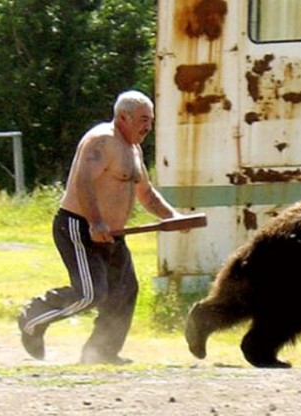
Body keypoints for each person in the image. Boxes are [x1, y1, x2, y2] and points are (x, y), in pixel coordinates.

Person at [18, 90, 184, 365]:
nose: (148, 127)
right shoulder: (102, 141)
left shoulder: (133, 148)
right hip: (79, 228)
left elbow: (147, 194)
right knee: (90, 293)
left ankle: (101, 353)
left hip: (113, 235)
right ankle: (33, 316)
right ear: (123, 117)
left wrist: (173, 216)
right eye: (144, 120)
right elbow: (83, 182)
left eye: (151, 121)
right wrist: (95, 221)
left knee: (124, 291)